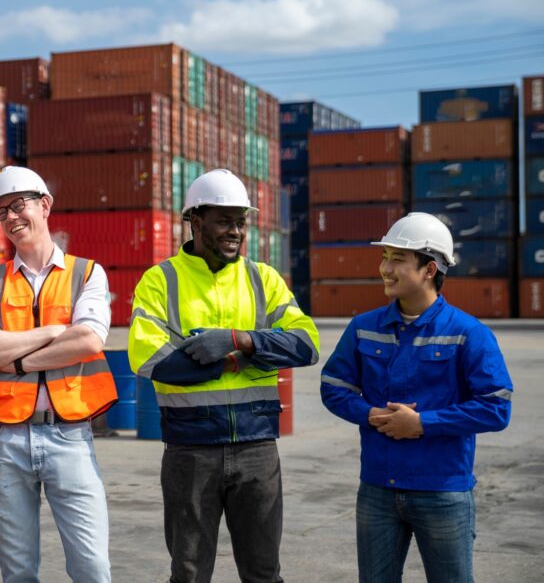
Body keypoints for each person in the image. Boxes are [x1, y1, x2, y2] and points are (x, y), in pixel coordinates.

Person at [128, 169, 320, 583]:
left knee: (265, 573)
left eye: (241, 221)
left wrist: (238, 341)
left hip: (258, 449)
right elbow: (152, 362)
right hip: (190, 451)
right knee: (190, 572)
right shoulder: (161, 281)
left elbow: (306, 345)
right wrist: (249, 357)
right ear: (196, 221)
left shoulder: (263, 279)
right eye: (224, 220)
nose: (235, 231)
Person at [320, 212, 513, 583]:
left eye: (397, 259)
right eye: (384, 257)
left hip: (442, 490)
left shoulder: (468, 333)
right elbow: (334, 387)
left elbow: (496, 407)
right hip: (378, 487)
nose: (385, 268)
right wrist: (371, 413)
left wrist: (422, 424)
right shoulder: (364, 328)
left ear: (429, 269)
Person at [0, 166, 117, 583]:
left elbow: (88, 341)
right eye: (0, 211)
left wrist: (13, 359)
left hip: (69, 433)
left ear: (44, 205)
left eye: (18, 205)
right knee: (18, 572)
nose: (11, 218)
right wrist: (51, 332)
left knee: (93, 568)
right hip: (3, 439)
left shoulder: (87, 273)